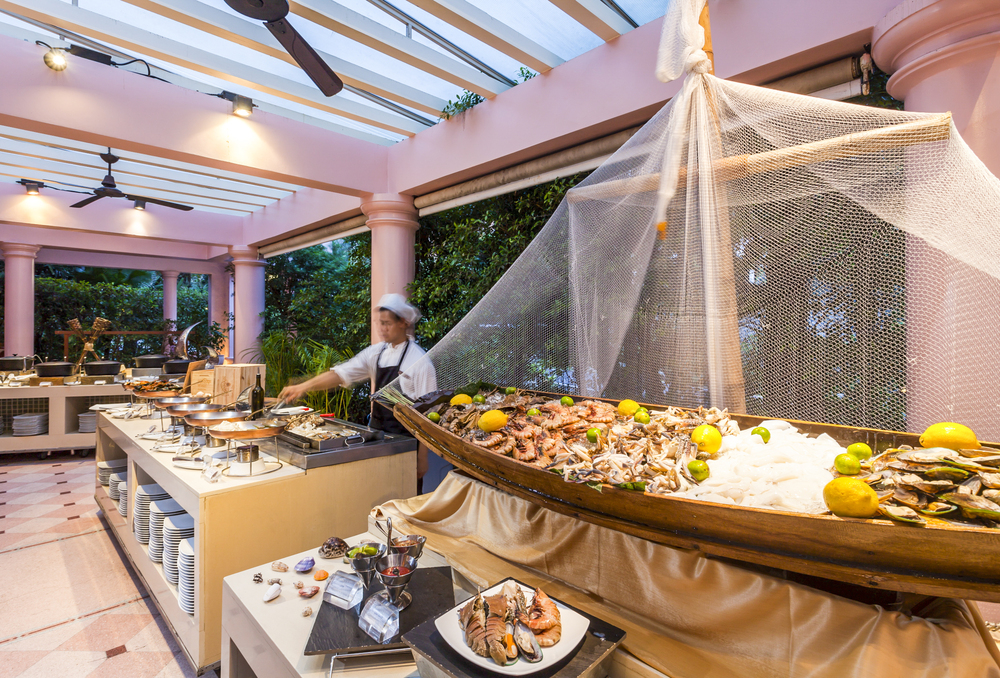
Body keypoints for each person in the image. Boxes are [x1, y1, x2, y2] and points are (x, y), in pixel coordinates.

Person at [278, 293, 451, 489]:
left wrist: (422, 457)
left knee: (404, 496)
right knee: (375, 493)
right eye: (379, 323)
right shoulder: (376, 353)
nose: (382, 329)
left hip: (406, 445)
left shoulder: (419, 361)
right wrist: (303, 386)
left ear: (403, 322)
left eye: (387, 323)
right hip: (377, 439)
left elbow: (427, 416)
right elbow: (341, 374)